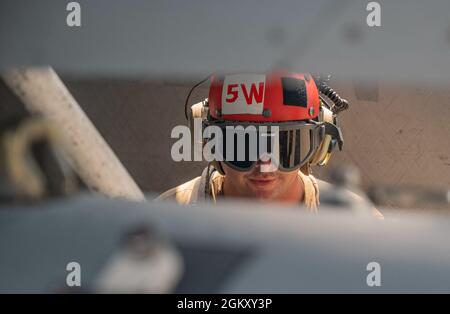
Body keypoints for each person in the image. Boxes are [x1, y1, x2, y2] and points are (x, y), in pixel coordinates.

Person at [158, 71, 381, 217]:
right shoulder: (168, 220)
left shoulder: (358, 226)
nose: (265, 164)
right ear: (209, 141)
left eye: (285, 146)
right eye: (243, 144)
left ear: (318, 145)